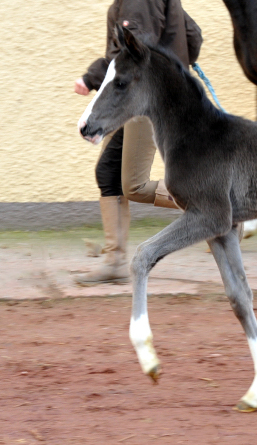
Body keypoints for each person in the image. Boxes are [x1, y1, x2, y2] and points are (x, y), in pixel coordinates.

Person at [74, 0, 203, 285]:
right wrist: (179, 64)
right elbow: (193, 34)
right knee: (108, 173)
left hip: (145, 97)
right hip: (149, 95)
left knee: (133, 184)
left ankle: (218, 205)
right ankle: (114, 263)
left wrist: (91, 76)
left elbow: (134, 52)